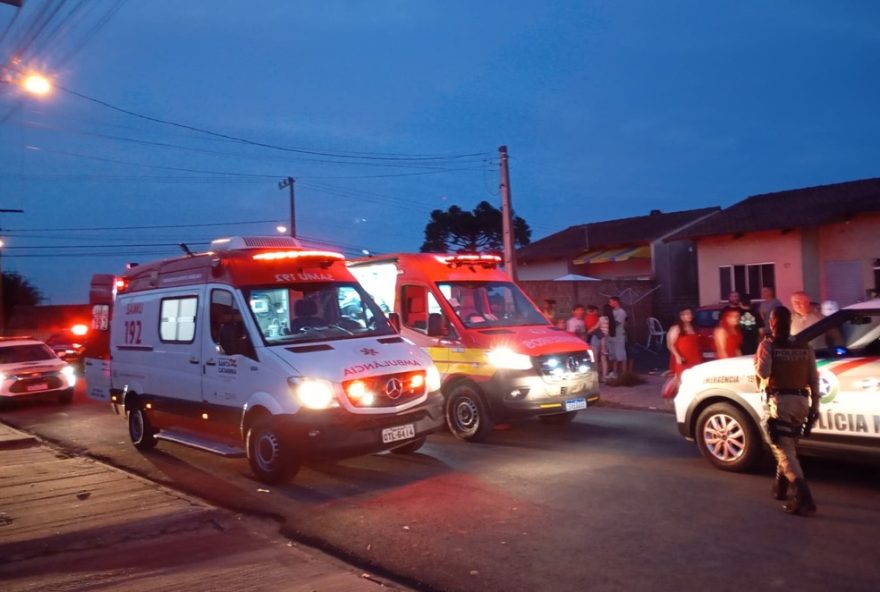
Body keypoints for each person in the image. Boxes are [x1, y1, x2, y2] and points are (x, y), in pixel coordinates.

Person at [755, 306, 820, 516]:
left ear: (772, 323)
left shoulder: (769, 345)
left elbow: (763, 372)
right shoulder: (805, 346)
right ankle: (780, 488)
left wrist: (759, 359)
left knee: (784, 452)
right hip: (802, 403)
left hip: (781, 402)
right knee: (788, 447)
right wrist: (814, 409)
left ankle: (804, 497)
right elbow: (814, 380)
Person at [664, 307, 703, 397]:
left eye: (690, 313)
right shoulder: (676, 328)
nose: (689, 316)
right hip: (683, 358)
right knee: (682, 378)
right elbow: (670, 344)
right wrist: (677, 356)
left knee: (694, 378)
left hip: (695, 357)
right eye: (686, 314)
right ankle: (680, 397)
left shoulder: (693, 327)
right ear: (681, 316)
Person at [607, 296, 627, 379]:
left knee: (621, 355)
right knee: (613, 355)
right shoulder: (610, 312)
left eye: (611, 302)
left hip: (618, 336)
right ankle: (615, 373)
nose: (610, 303)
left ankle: (625, 375)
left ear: (616, 302)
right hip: (611, 336)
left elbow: (616, 324)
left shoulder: (621, 312)